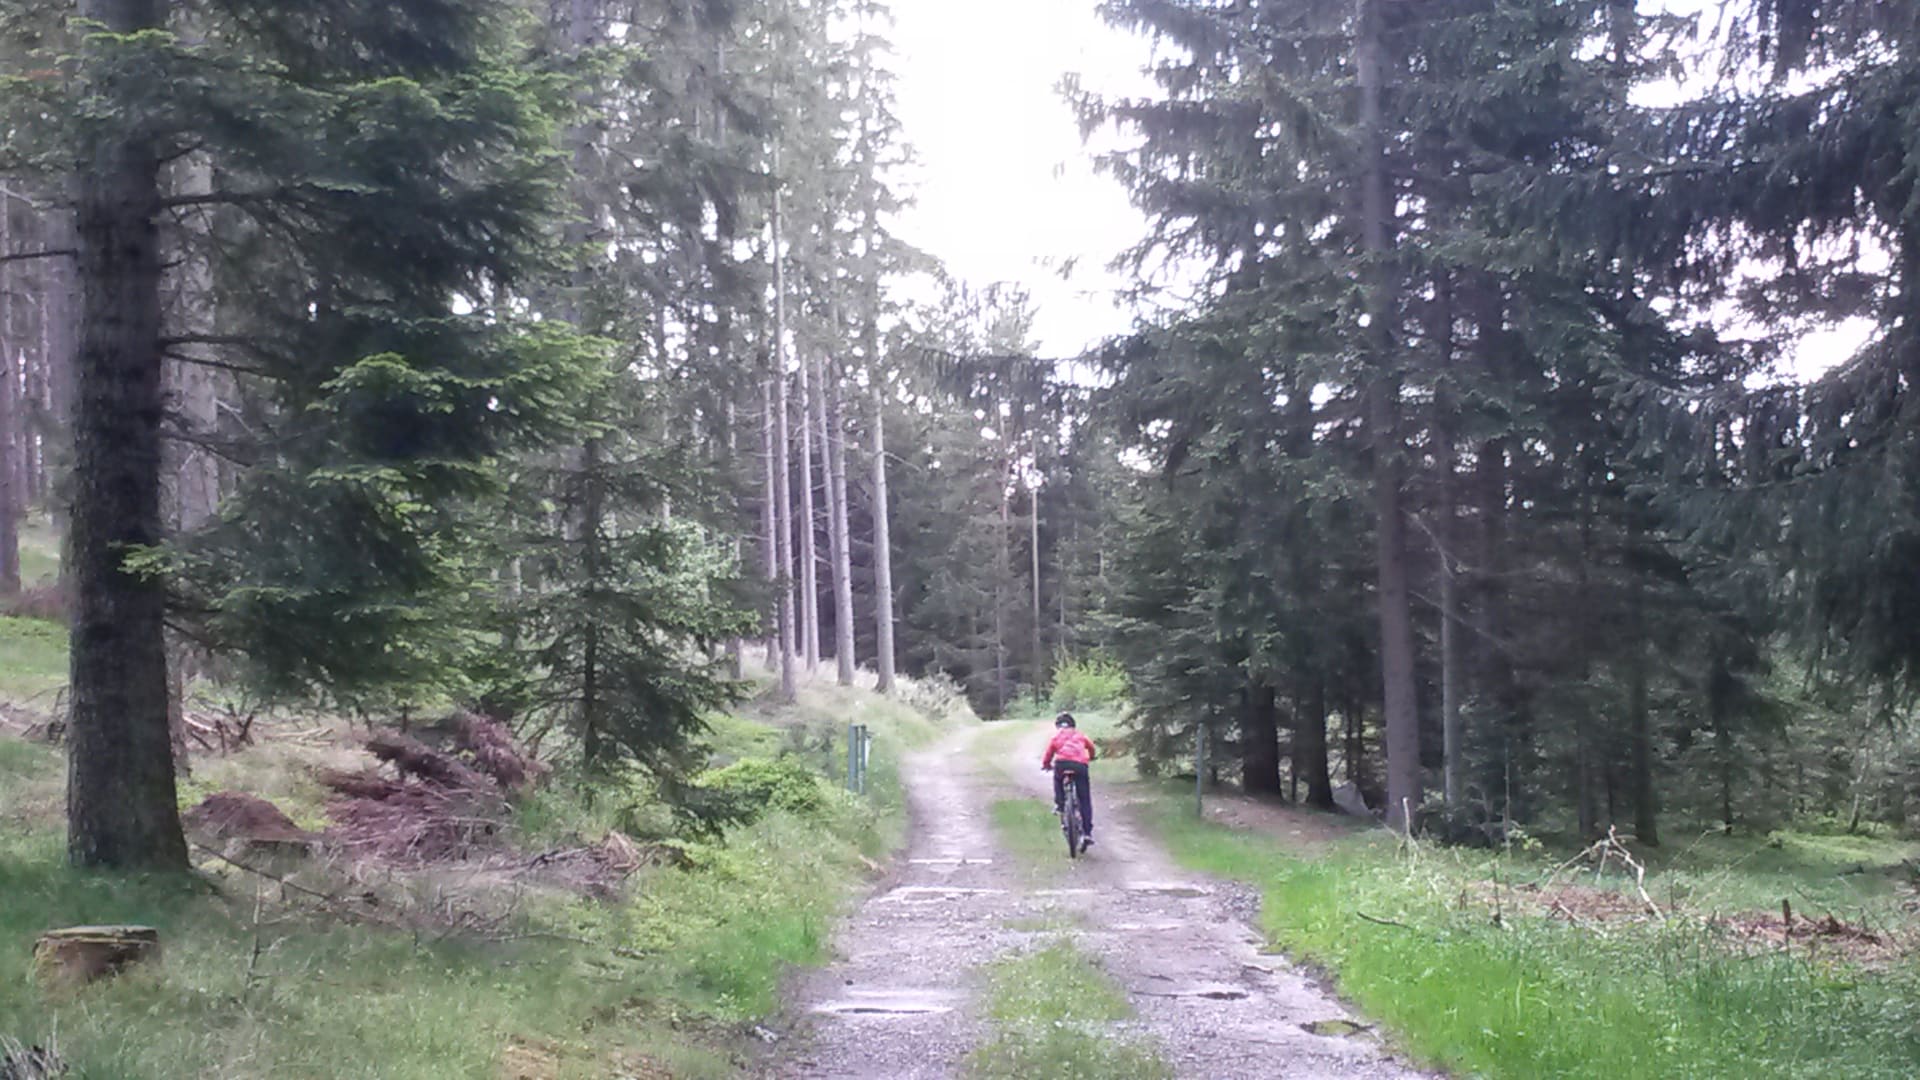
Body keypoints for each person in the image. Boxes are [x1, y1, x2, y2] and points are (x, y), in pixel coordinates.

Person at [1041, 712, 1097, 849]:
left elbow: (1049, 754)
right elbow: (1091, 747)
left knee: (1057, 779)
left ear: (1058, 726)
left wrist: (1046, 765)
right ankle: (1087, 833)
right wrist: (1091, 757)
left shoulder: (1056, 737)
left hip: (1062, 764)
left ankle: (1060, 804)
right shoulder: (1080, 735)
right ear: (1073, 725)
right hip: (1080, 765)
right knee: (1084, 799)